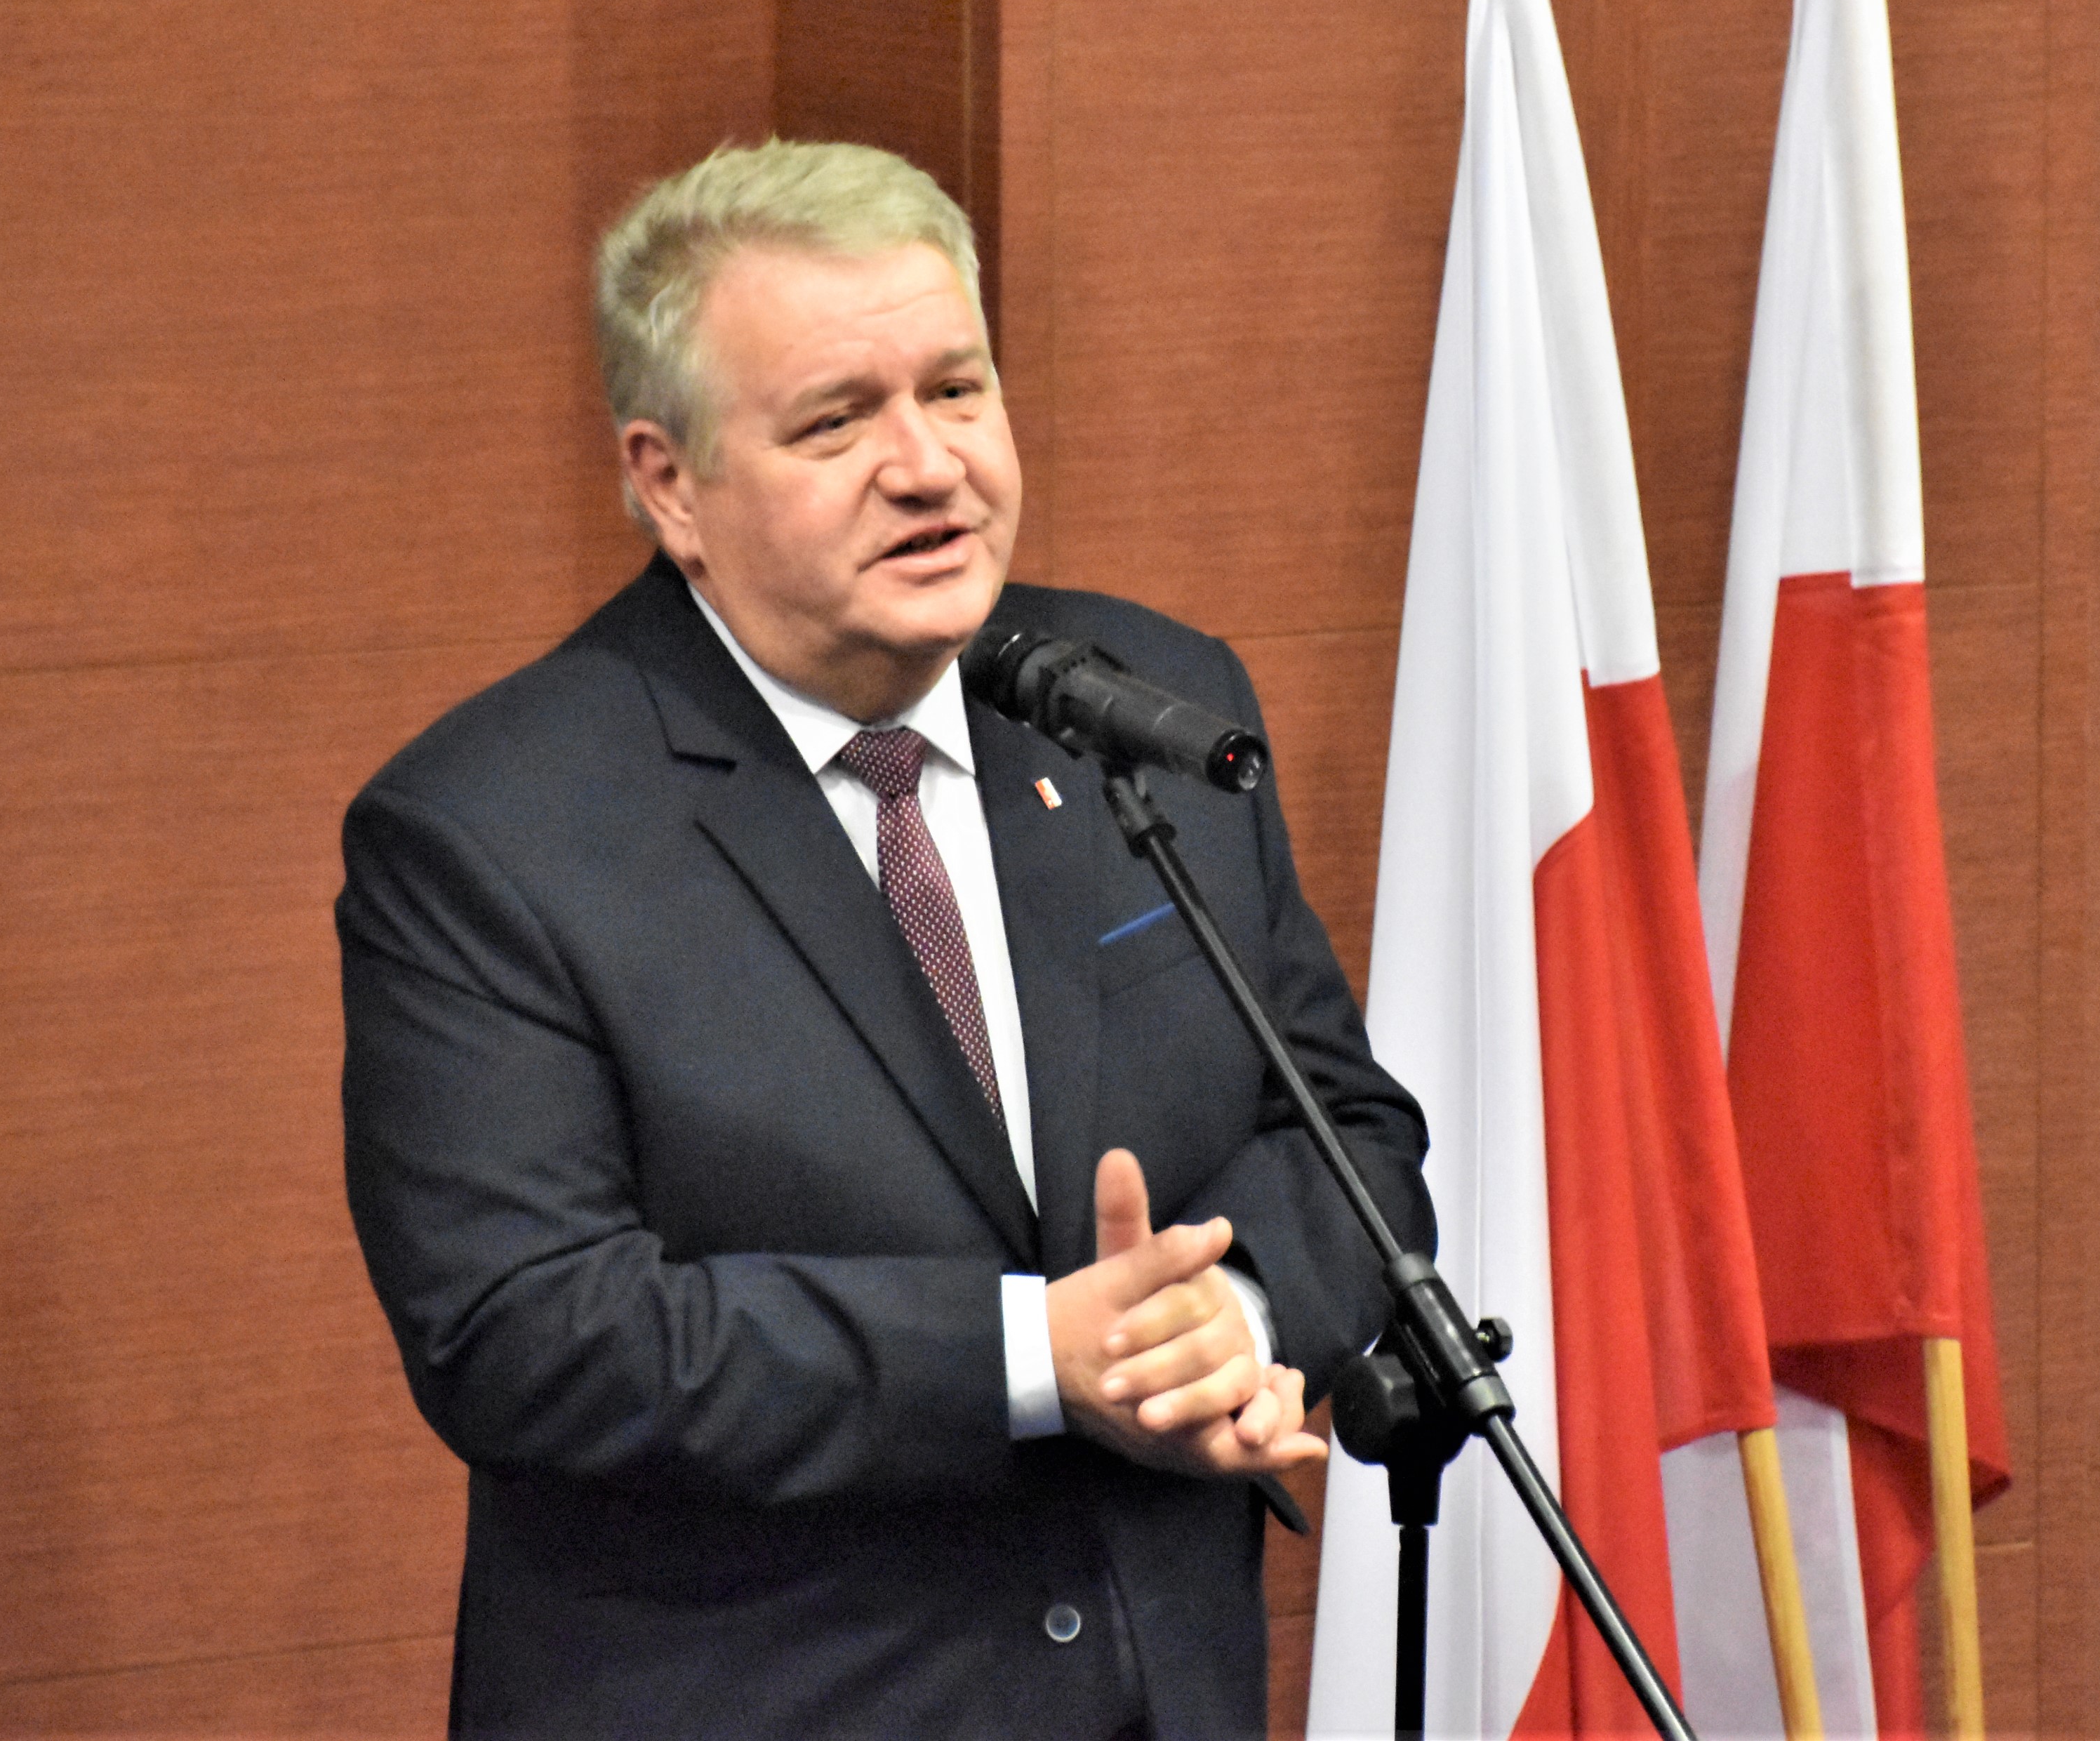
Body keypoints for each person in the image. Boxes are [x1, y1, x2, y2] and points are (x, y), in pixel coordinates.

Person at [338, 137, 1432, 1739]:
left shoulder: (1140, 704)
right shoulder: (491, 831)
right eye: (836, 422)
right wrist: (1035, 1355)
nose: (929, 467)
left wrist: (1230, 1320)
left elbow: (1344, 1129)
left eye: (957, 390)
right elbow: (531, 1335)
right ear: (668, 482)